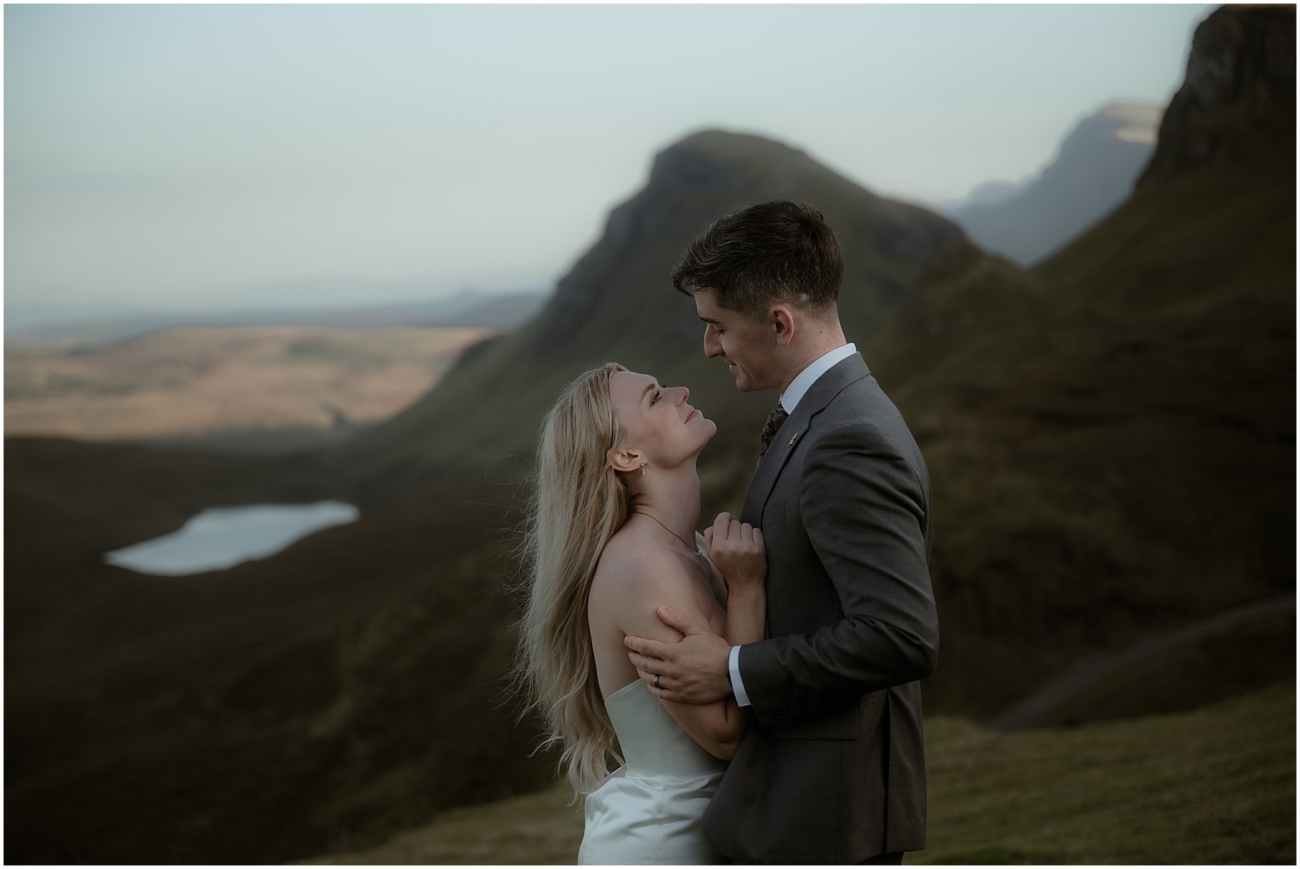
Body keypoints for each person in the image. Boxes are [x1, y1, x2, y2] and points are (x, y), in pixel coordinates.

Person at [624, 200, 940, 864]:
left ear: (779, 322)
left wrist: (732, 667)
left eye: (718, 326)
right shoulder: (827, 412)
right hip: (809, 807)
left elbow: (900, 635)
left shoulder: (847, 437)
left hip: (828, 812)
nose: (709, 346)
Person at [514, 362, 769, 864]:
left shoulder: (684, 549)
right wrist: (746, 589)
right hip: (664, 844)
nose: (681, 391)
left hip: (702, 831)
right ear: (626, 455)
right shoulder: (643, 570)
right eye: (655, 397)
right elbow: (725, 733)